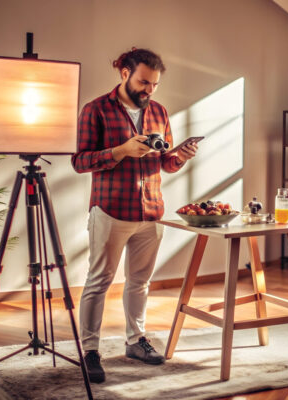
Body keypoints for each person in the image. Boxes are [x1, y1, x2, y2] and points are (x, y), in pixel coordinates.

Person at [71, 48, 198, 383]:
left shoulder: (158, 111)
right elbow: (80, 161)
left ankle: (135, 341)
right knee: (99, 282)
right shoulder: (95, 110)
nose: (149, 90)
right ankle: (90, 351)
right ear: (124, 73)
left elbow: (165, 162)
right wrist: (121, 151)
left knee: (139, 283)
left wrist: (180, 156)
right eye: (144, 81)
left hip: (151, 210)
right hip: (110, 210)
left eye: (154, 84)